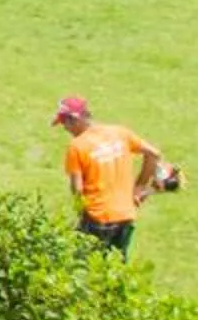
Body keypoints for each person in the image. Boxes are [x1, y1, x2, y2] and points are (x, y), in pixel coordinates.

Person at [52, 96, 167, 252]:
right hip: (126, 214)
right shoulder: (119, 132)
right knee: (117, 267)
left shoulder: (77, 146)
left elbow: (77, 188)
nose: (65, 128)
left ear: (73, 119)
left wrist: (80, 212)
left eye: (64, 123)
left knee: (85, 267)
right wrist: (140, 187)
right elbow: (154, 154)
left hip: (97, 218)